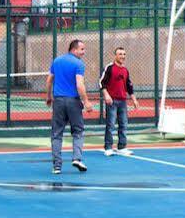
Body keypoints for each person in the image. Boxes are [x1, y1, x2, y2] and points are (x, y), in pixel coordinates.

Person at [46, 39, 94, 174]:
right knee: (78, 131)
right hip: (73, 101)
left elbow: (49, 80)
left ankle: (57, 166)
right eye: (82, 49)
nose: (84, 52)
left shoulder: (57, 61)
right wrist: (86, 102)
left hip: (58, 101)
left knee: (56, 134)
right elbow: (80, 84)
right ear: (74, 50)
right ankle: (77, 158)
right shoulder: (79, 64)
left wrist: (48, 96)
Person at [100, 46, 140, 157]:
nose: (122, 56)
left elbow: (129, 86)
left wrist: (134, 99)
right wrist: (106, 95)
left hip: (123, 102)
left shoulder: (125, 70)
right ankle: (108, 147)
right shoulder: (109, 68)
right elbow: (101, 82)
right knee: (111, 124)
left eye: (124, 54)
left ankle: (122, 147)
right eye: (120, 54)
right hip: (111, 101)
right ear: (115, 56)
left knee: (123, 124)